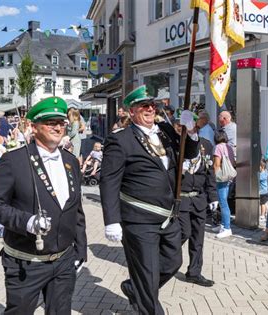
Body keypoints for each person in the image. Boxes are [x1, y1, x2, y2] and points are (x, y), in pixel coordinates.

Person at [100, 85, 199, 315]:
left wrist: (190, 131)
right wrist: (111, 220)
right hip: (138, 218)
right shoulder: (121, 140)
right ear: (131, 111)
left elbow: (190, 153)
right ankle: (148, 303)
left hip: (168, 215)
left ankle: (135, 288)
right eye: (144, 106)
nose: (150, 109)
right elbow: (109, 182)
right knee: (148, 272)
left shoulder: (164, 130)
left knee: (173, 262)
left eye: (152, 105)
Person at [0, 97, 87, 314]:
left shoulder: (71, 161)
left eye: (61, 122)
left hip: (63, 261)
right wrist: (27, 222)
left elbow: (76, 209)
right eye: (50, 122)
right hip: (26, 261)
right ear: (34, 126)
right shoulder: (14, 160)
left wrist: (81, 250)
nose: (58, 127)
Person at [176, 126, 218, 287]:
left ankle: (194, 272)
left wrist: (213, 196)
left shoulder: (206, 145)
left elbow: (210, 173)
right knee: (183, 233)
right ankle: (165, 259)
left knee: (198, 238)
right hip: (182, 199)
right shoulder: (175, 144)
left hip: (199, 199)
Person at [212, 130, 236, 238]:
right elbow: (233, 162)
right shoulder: (229, 147)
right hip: (229, 177)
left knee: (223, 203)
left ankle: (227, 228)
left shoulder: (218, 147)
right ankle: (223, 225)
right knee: (224, 201)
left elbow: (217, 164)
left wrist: (215, 177)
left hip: (221, 178)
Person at [259, 159, 268, 224]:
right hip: (265, 191)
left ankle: (262, 216)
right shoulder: (265, 171)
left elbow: (259, 179)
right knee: (264, 203)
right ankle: (265, 214)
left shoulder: (262, 174)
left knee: (262, 204)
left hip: (263, 191)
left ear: (262, 167)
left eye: (258, 166)